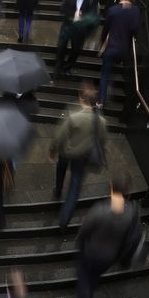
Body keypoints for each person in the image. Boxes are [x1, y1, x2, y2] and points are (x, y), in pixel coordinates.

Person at [75, 172, 139, 298]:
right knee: (94, 275)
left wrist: (80, 241)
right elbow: (129, 239)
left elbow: (85, 229)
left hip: (91, 251)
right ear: (127, 194)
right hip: (109, 256)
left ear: (111, 190)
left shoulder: (100, 210)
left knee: (83, 273)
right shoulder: (131, 212)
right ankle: (90, 291)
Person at [50, 83, 107, 228]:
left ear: (81, 98)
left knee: (61, 168)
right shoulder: (100, 121)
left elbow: (60, 136)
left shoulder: (73, 116)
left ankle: (57, 190)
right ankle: (64, 222)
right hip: (83, 156)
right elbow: (101, 140)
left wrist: (53, 150)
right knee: (74, 188)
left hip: (66, 152)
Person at [98, 0, 140, 108]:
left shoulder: (113, 10)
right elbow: (135, 31)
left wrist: (101, 44)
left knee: (105, 74)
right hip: (124, 49)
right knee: (113, 69)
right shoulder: (136, 11)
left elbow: (105, 30)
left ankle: (100, 101)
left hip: (111, 48)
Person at [55, 0, 99, 78]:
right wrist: (73, 13)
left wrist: (82, 15)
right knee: (61, 46)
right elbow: (62, 9)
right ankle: (59, 65)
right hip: (67, 26)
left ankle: (68, 67)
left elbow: (93, 13)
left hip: (80, 29)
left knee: (76, 50)